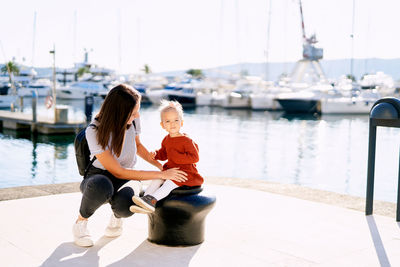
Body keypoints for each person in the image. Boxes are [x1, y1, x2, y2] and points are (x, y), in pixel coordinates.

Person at [72, 84, 187, 247]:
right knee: (101, 185)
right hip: (98, 176)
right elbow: (118, 172)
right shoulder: (94, 131)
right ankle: (80, 223)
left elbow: (138, 146)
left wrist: (161, 167)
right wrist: (161, 175)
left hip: (127, 175)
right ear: (119, 112)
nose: (137, 115)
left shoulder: (132, 119)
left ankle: (116, 219)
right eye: (133, 113)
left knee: (127, 205)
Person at [132, 100, 204, 213]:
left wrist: (177, 157)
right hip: (170, 169)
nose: (173, 123)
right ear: (163, 125)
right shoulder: (167, 139)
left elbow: (195, 157)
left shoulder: (187, 140)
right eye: (168, 121)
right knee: (157, 178)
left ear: (182, 122)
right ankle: (144, 199)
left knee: (170, 183)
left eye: (176, 120)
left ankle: (152, 201)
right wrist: (156, 154)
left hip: (185, 172)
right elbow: (164, 153)